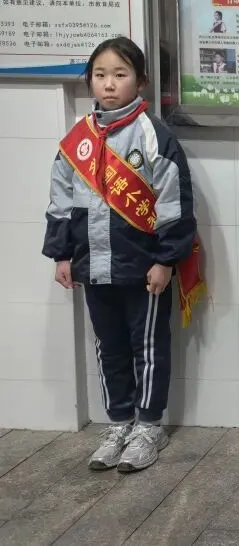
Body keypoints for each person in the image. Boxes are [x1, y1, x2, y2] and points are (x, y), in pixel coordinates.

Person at [42, 37, 199, 472]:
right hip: (93, 266)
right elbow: (60, 202)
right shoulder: (77, 139)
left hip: (143, 268)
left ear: (140, 81)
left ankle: (149, 427)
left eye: (120, 74)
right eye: (100, 75)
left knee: (148, 348)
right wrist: (61, 255)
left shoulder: (154, 135)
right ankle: (119, 423)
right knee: (108, 347)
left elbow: (175, 204)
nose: (109, 84)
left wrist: (165, 260)